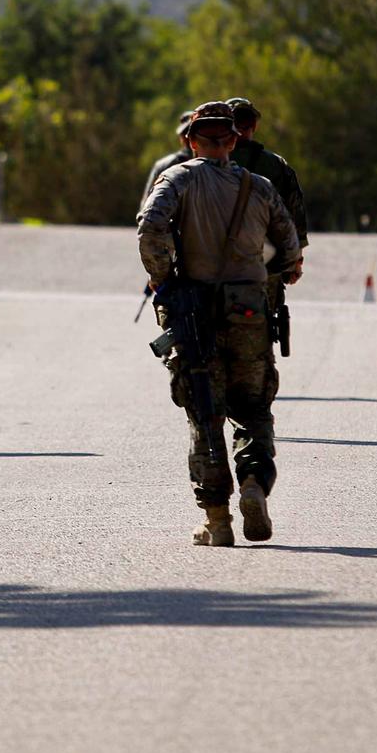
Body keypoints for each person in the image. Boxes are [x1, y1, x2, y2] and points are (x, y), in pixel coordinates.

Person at [137, 101, 303, 547]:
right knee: (252, 407)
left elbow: (150, 227)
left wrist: (162, 278)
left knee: (204, 412)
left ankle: (218, 520)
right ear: (233, 140)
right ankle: (253, 481)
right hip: (248, 310)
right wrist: (278, 268)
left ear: (191, 141)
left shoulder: (176, 179)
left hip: (194, 311)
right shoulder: (261, 186)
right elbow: (288, 245)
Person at [227, 96, 307, 393]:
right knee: (259, 333)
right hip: (265, 265)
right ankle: (255, 396)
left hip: (214, 264)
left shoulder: (206, 165)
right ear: (254, 126)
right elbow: (294, 216)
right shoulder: (276, 166)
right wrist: (294, 262)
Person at [141, 109, 195, 205]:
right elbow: (147, 205)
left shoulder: (219, 164)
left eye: (192, 133)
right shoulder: (166, 164)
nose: (188, 137)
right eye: (186, 133)